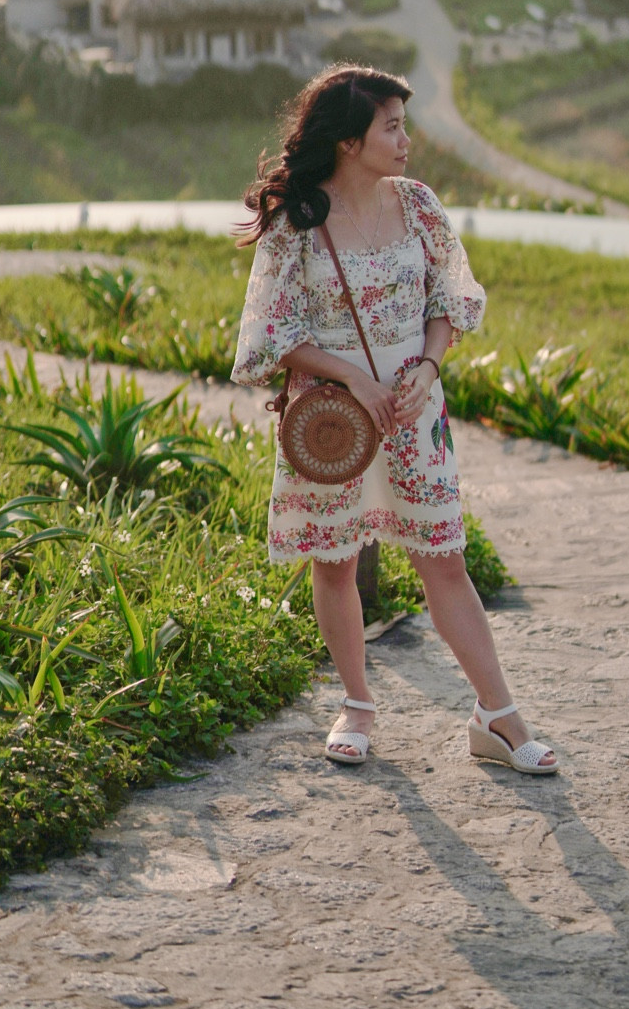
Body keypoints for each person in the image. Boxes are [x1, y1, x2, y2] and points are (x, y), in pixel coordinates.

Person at [232, 64, 557, 774]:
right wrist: (352, 375)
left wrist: (428, 368)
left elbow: (453, 300)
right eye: (393, 126)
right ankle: (357, 706)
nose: (407, 139)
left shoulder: (418, 207)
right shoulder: (298, 223)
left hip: (414, 411)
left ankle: (498, 719)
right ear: (350, 141)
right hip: (334, 423)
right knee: (337, 560)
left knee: (444, 558)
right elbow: (270, 334)